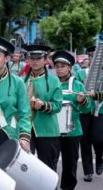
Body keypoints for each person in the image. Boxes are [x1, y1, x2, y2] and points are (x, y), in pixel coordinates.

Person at [53, 51, 91, 190]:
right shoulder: (50, 83)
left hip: (72, 132)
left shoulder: (77, 85)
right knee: (50, 163)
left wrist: (83, 101)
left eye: (63, 66)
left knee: (70, 164)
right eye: (57, 66)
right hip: (52, 131)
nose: (59, 69)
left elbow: (87, 110)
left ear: (70, 67)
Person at [24, 44, 63, 172]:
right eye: (32, 58)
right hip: (25, 130)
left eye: (38, 58)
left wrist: (43, 105)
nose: (34, 61)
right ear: (28, 60)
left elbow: (57, 106)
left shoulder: (54, 80)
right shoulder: (22, 81)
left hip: (47, 130)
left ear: (45, 60)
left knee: (48, 169)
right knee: (25, 168)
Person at [75, 46, 102, 182]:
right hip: (84, 110)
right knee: (84, 141)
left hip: (99, 111)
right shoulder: (81, 73)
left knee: (98, 139)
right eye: (92, 56)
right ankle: (88, 171)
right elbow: (76, 88)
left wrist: (96, 94)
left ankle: (99, 159)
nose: (94, 59)